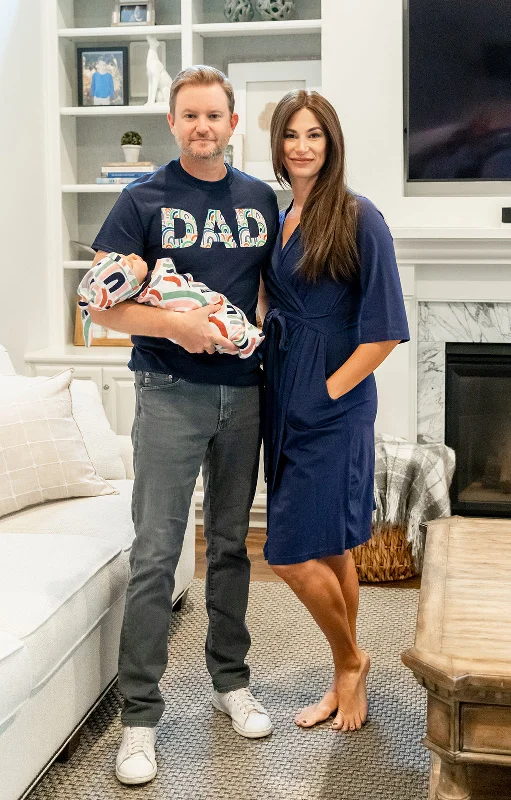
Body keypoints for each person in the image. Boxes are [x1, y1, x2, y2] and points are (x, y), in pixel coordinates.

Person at [87, 65, 279, 785]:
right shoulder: (142, 200)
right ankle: (139, 719)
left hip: (245, 394)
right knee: (156, 552)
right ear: (173, 123)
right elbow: (101, 307)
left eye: (214, 116)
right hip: (168, 392)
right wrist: (174, 324)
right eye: (189, 116)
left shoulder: (261, 199)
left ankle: (231, 681)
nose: (202, 127)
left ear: (233, 122)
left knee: (230, 546)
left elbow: (267, 289)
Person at [258, 90, 410, 733]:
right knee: (338, 545)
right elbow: (274, 299)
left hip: (333, 402)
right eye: (291, 135)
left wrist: (328, 392)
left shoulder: (358, 216)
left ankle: (350, 662)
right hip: (281, 389)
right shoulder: (281, 214)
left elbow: (385, 330)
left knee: (290, 553)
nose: (302, 146)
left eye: (314, 134)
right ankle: (343, 667)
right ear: (278, 145)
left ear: (333, 141)